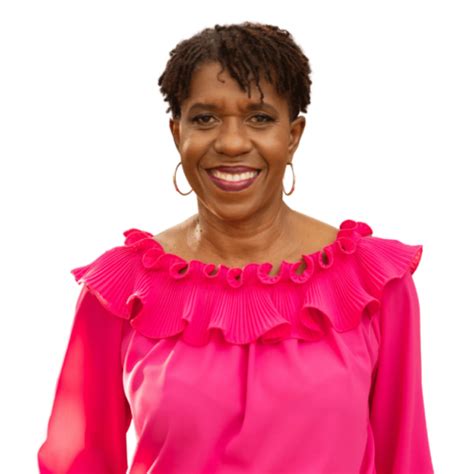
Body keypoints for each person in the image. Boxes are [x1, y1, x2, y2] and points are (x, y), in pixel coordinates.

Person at [37, 21, 434, 473]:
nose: (230, 143)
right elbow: (79, 462)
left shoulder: (373, 284)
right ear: (177, 133)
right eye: (205, 118)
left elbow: (406, 460)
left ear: (293, 135)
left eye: (259, 118)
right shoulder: (120, 291)